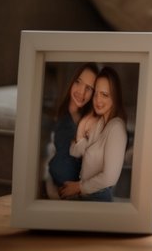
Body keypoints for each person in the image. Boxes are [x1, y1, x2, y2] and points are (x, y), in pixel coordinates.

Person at [62, 65, 128, 201]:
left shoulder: (116, 128)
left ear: (115, 97)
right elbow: (76, 152)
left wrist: (78, 187)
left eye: (104, 95)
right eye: (96, 93)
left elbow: (110, 178)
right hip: (86, 194)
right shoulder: (100, 123)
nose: (98, 100)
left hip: (99, 196)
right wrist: (82, 126)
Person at [43, 62, 96, 199]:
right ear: (71, 81)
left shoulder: (90, 119)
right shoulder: (57, 118)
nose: (81, 92)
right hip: (61, 185)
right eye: (78, 82)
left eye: (89, 88)